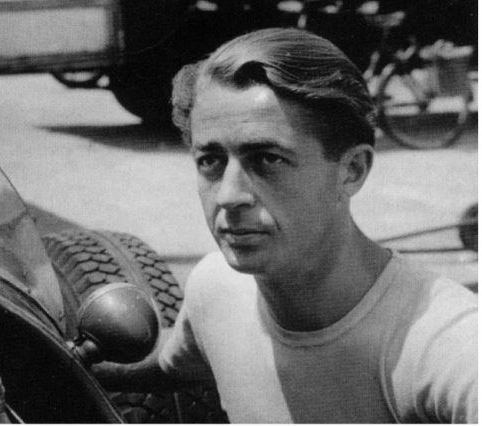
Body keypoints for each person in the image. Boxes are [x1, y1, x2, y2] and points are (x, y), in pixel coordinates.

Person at [99, 28, 477, 422]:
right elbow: (168, 365)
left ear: (352, 170)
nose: (228, 195)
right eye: (210, 160)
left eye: (268, 159)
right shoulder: (216, 289)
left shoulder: (448, 343)